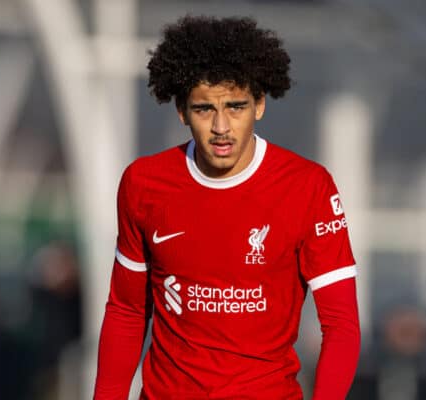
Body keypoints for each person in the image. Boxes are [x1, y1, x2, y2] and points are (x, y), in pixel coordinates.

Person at [94, 15, 360, 400]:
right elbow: (127, 311)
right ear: (182, 111)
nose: (221, 126)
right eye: (204, 110)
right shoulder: (143, 183)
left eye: (236, 106)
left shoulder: (308, 186)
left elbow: (341, 325)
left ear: (260, 106)